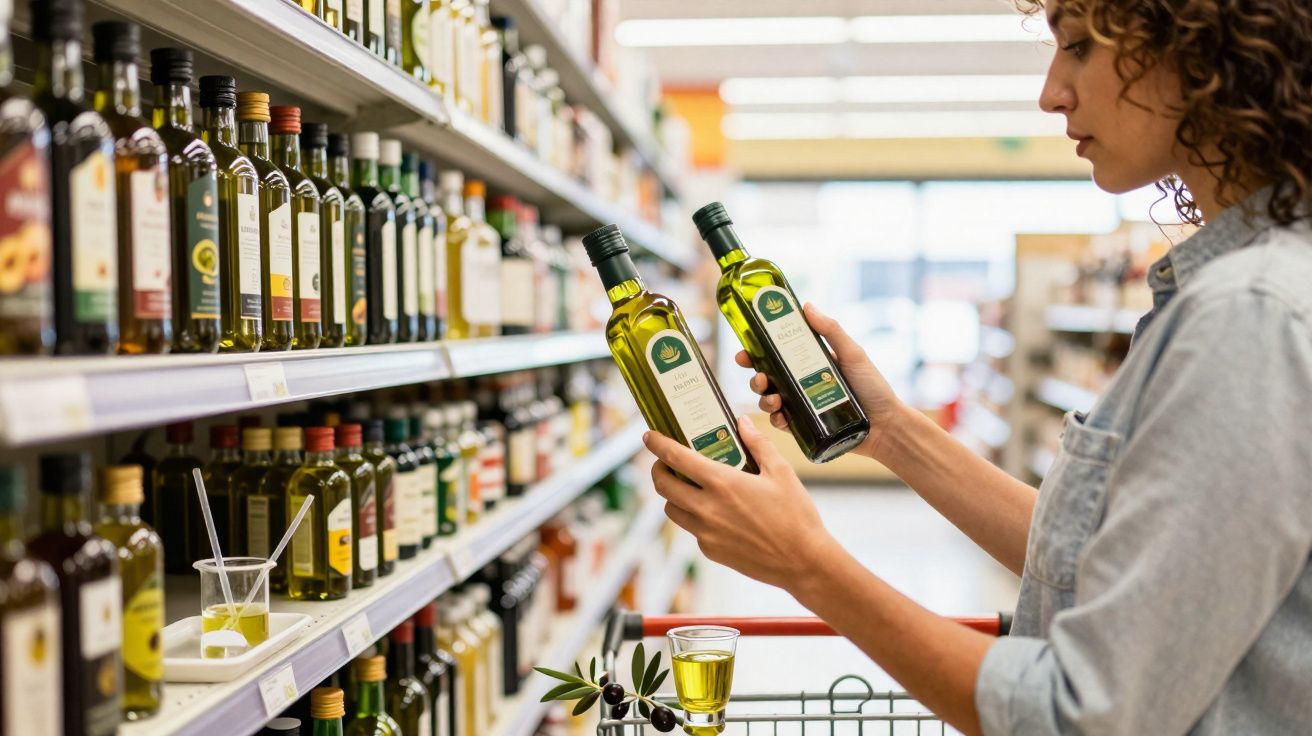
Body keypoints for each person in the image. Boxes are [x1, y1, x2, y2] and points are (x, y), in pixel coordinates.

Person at [643, 1, 1312, 734]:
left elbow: (1079, 717)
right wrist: (893, 431)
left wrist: (805, 562)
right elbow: (1100, 559)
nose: (1052, 91)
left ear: (1202, 49)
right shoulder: (1236, 288)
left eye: (1082, 47)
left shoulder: (1251, 312)